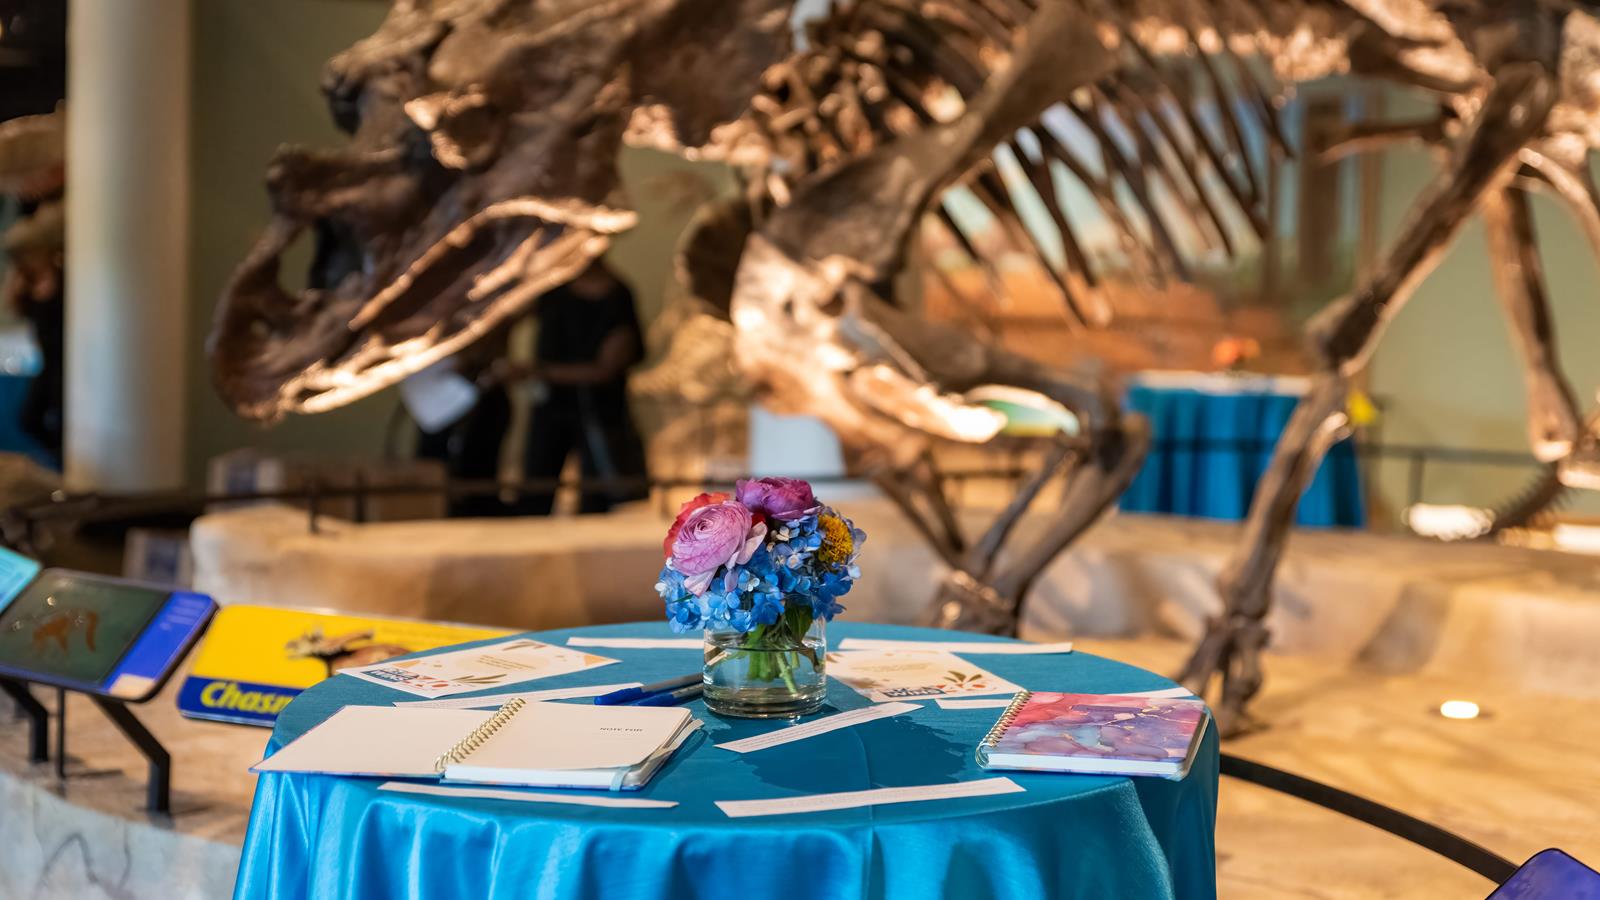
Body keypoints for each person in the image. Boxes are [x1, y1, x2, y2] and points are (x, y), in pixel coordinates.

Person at [520, 260, 649, 515]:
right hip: (551, 409)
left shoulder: (616, 297)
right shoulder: (552, 288)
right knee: (536, 489)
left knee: (600, 497)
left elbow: (606, 368)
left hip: (600, 412)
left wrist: (536, 372)